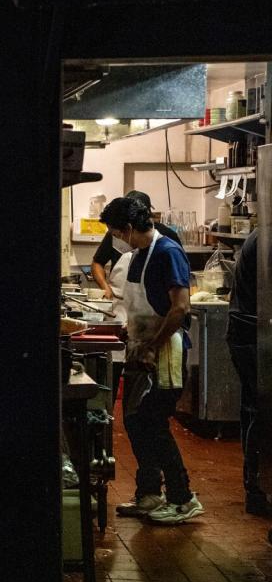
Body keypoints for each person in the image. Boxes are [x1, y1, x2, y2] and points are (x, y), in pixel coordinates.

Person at [100, 197, 203, 524]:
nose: (116, 238)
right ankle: (149, 494)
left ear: (128, 228)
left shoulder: (167, 252)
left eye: (116, 232)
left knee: (153, 423)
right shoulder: (141, 255)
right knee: (134, 420)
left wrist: (151, 344)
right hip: (140, 349)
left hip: (164, 353)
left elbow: (180, 307)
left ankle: (182, 498)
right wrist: (131, 332)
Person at [226, 230, 265, 514]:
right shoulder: (266, 238)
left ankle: (255, 486)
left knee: (253, 408)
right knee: (261, 411)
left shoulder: (259, 234)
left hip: (245, 331)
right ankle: (257, 486)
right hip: (253, 334)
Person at [91, 191, 181, 301]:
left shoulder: (169, 249)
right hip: (122, 306)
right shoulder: (134, 250)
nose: (118, 239)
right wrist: (106, 288)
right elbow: (97, 263)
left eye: (118, 235)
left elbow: (179, 305)